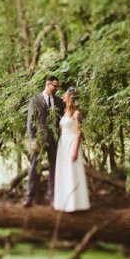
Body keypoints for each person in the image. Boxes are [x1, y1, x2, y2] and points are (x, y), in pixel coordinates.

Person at [23, 75, 65, 207]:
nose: (57, 88)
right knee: (35, 167)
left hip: (54, 140)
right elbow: (31, 121)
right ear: (48, 84)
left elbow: (61, 120)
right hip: (39, 139)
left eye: (58, 86)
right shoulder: (35, 100)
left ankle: (52, 197)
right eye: (55, 86)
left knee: (54, 168)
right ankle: (30, 197)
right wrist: (32, 140)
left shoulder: (59, 101)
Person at [53, 88, 90, 212]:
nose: (63, 98)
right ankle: (63, 202)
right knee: (63, 171)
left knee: (72, 171)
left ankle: (76, 204)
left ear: (70, 98)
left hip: (72, 143)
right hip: (63, 144)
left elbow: (79, 132)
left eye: (65, 96)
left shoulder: (77, 113)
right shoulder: (64, 112)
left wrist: (75, 150)